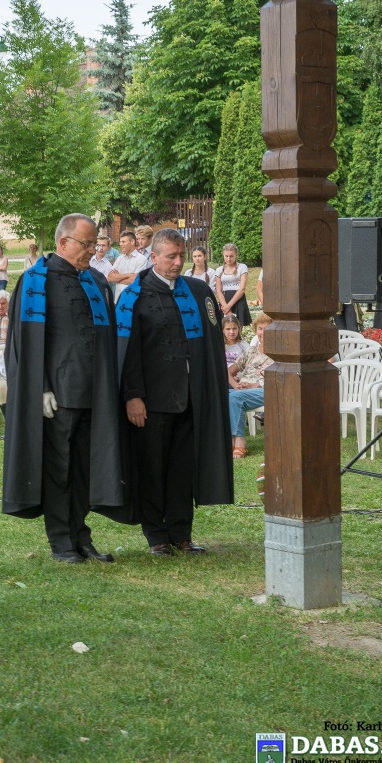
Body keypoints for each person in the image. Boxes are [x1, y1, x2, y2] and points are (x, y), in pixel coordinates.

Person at [2, 213, 127, 564]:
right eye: (86, 243)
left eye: (94, 243)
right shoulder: (35, 282)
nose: (92, 250)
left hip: (95, 392)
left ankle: (81, 537)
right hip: (58, 394)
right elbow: (25, 341)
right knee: (59, 469)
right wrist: (40, 388)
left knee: (84, 468)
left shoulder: (95, 280)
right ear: (63, 242)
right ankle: (61, 541)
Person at [117, 228, 233, 556]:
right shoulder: (134, 296)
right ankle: (156, 536)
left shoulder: (197, 291)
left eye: (181, 255)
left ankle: (182, 534)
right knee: (152, 469)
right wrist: (133, 396)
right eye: (171, 256)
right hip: (151, 401)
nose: (178, 262)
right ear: (153, 257)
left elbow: (211, 345)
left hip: (191, 398)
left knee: (183, 470)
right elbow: (127, 352)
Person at [228, 312, 273, 458]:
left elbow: (282, 377)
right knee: (221, 395)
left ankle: (239, 442)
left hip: (267, 390)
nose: (263, 332)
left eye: (267, 328)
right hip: (243, 390)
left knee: (234, 398)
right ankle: (227, 440)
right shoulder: (251, 351)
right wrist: (235, 385)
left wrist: (256, 385)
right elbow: (229, 371)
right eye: (260, 328)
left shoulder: (280, 352)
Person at [216, 243, 251, 326]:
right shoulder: (219, 270)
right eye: (226, 256)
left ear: (236, 255)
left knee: (238, 327)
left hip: (238, 299)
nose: (228, 259)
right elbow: (218, 290)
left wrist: (229, 305)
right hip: (224, 301)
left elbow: (242, 288)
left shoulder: (242, 267)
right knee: (224, 327)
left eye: (231, 256)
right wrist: (225, 306)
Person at [108, 230, 148, 301]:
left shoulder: (141, 259)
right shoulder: (120, 258)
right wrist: (129, 275)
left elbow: (136, 280)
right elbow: (110, 278)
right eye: (120, 242)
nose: (120, 244)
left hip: (132, 300)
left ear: (132, 242)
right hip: (118, 299)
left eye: (123, 242)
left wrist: (118, 278)